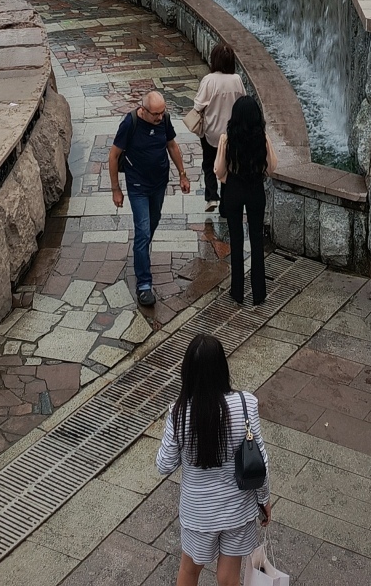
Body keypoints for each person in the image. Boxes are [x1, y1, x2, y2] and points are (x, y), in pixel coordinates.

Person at [156, 332, 271, 586]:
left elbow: (164, 464)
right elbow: (260, 462)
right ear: (222, 367)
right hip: (237, 511)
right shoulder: (246, 404)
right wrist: (264, 501)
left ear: (187, 372)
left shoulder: (179, 412)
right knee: (228, 577)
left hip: (198, 514)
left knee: (189, 570)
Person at [108, 89, 191, 307]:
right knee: (143, 231)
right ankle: (144, 284)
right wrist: (116, 189)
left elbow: (172, 145)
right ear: (143, 110)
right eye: (155, 114)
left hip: (159, 183)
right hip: (137, 186)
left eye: (162, 112)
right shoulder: (130, 123)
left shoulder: (165, 120)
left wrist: (182, 174)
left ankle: (140, 252)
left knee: (152, 224)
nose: (159, 117)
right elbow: (114, 155)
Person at [216, 95, 277, 307]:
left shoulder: (227, 138)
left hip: (234, 188)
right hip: (255, 188)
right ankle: (259, 293)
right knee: (257, 239)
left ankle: (238, 291)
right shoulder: (262, 137)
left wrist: (228, 179)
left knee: (236, 239)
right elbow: (272, 167)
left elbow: (218, 170)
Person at [188, 46, 245, 208]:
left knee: (209, 164)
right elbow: (243, 101)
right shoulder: (236, 80)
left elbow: (198, 105)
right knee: (228, 166)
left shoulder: (209, 80)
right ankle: (226, 205)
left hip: (211, 132)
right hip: (231, 134)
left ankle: (212, 196)